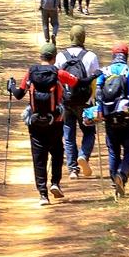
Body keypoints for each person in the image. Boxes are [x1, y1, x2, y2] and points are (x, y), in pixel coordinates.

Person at [7, 42, 78, 206]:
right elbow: (75, 82)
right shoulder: (58, 73)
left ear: (41, 56)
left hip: (35, 122)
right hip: (56, 121)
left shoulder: (31, 72)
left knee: (39, 157)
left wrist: (11, 86)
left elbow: (18, 94)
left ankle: (43, 195)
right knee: (57, 153)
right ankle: (55, 183)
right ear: (54, 57)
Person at [97, 43, 129, 198]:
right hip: (128, 117)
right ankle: (122, 175)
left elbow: (98, 94)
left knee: (113, 150)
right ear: (126, 56)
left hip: (110, 116)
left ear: (113, 56)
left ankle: (114, 180)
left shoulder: (104, 72)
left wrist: (100, 112)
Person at [56, 24, 101, 179]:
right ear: (83, 37)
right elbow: (96, 80)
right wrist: (95, 100)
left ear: (70, 37)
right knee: (89, 132)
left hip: (66, 102)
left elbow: (56, 79)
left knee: (68, 134)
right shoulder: (91, 56)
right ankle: (83, 155)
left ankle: (73, 169)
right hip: (86, 102)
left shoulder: (61, 56)